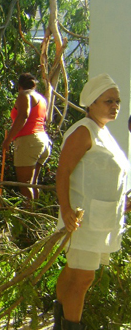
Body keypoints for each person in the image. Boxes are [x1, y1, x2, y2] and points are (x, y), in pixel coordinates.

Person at [53, 73, 129, 330]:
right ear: (91, 103)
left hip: (100, 220)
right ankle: (71, 325)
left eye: (117, 101)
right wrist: (65, 210)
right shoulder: (84, 130)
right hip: (82, 220)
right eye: (109, 101)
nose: (115, 106)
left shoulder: (102, 131)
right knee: (82, 278)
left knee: (77, 274)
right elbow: (62, 171)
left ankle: (60, 320)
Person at [2, 73, 51, 203]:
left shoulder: (25, 95)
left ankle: (27, 219)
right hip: (42, 140)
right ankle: (35, 218)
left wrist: (8, 139)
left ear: (19, 86)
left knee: (25, 184)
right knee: (33, 183)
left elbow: (23, 115)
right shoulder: (42, 99)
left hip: (29, 141)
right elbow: (45, 119)